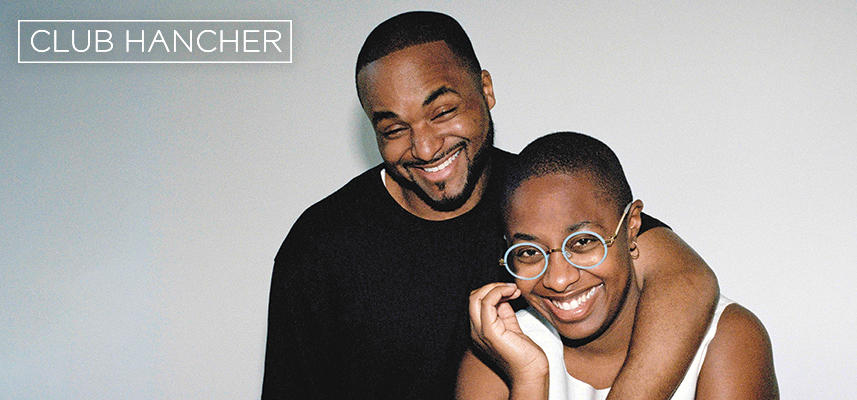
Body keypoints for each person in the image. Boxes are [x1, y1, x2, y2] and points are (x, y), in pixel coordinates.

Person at [262, 11, 719, 399]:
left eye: (441, 112)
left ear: (485, 89)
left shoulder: (535, 197)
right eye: (394, 129)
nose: (424, 147)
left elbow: (688, 278)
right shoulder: (320, 246)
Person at [458, 132, 779, 399]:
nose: (557, 279)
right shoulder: (501, 354)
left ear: (632, 226)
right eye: (529, 252)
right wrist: (529, 379)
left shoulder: (726, 340)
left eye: (582, 242)